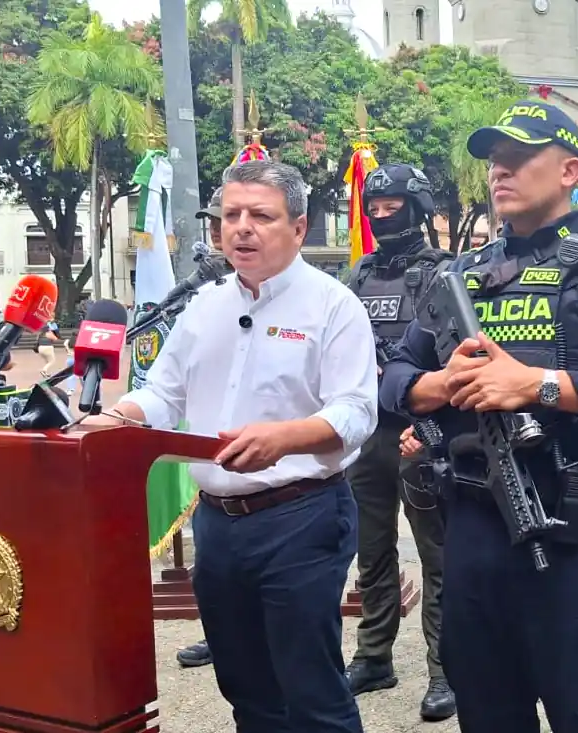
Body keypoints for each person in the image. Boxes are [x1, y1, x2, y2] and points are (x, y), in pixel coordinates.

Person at [378, 99, 578, 733]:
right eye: (496, 161)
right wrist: (441, 384)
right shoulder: (460, 274)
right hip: (470, 532)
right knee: (487, 710)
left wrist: (537, 386)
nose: (501, 172)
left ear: (571, 169)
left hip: (571, 530)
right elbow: (392, 380)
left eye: (520, 158)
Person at [96, 161, 377, 733]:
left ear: (298, 229)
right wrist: (119, 415)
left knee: (311, 690)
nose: (242, 228)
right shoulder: (204, 305)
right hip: (219, 527)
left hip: (301, 517)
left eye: (261, 216)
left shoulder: (333, 306)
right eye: (231, 215)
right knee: (245, 687)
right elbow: (163, 394)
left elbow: (356, 411)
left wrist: (285, 439)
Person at [340, 163, 457, 721]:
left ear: (417, 209)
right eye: (375, 207)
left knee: (437, 555)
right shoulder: (358, 275)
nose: (383, 216)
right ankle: (373, 656)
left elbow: (458, 349)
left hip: (421, 433)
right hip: (368, 432)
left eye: (394, 207)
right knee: (371, 549)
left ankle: (445, 669)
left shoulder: (444, 273)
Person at [175, 188, 226, 671]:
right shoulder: (201, 298)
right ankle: (218, 636)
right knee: (210, 569)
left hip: (285, 489)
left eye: (222, 220)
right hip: (211, 472)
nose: (217, 230)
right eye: (213, 221)